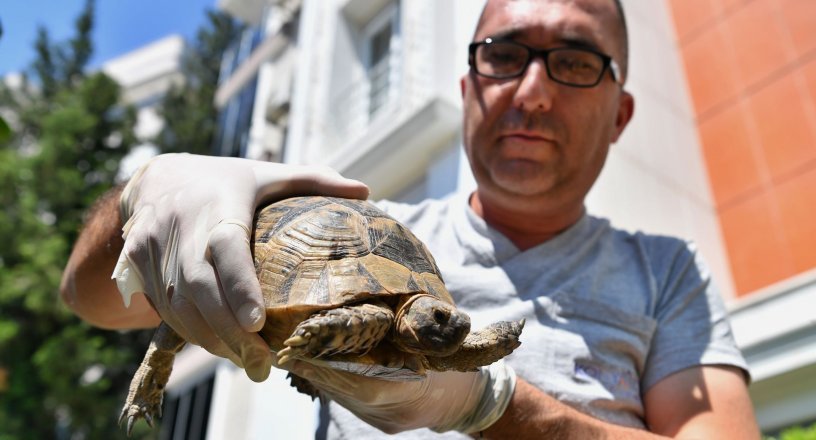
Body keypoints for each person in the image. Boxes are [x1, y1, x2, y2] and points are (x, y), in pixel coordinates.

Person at [61, 0, 761, 438]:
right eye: (505, 54)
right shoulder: (365, 218)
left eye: (575, 61)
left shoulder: (669, 274)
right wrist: (145, 196)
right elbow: (91, 299)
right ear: (467, 89)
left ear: (621, 115)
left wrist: (489, 403)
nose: (532, 90)